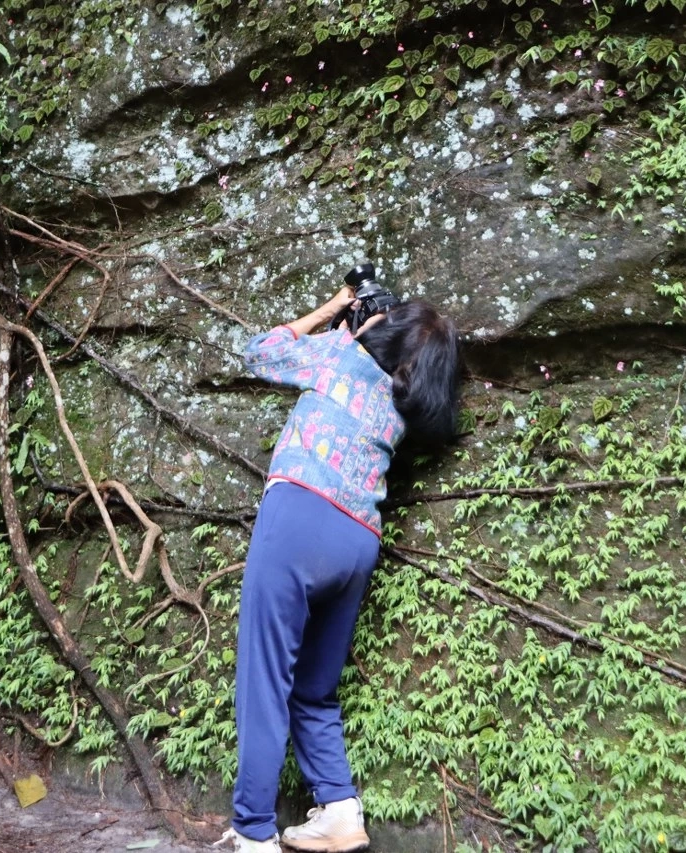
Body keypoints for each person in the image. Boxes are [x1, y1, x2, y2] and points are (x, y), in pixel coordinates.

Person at [216, 284, 461, 853]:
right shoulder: (402, 405)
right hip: (358, 538)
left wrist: (336, 310)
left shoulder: (342, 353)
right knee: (313, 688)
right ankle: (340, 811)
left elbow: (261, 349)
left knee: (264, 681)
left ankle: (252, 833)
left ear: (384, 332)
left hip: (299, 514)